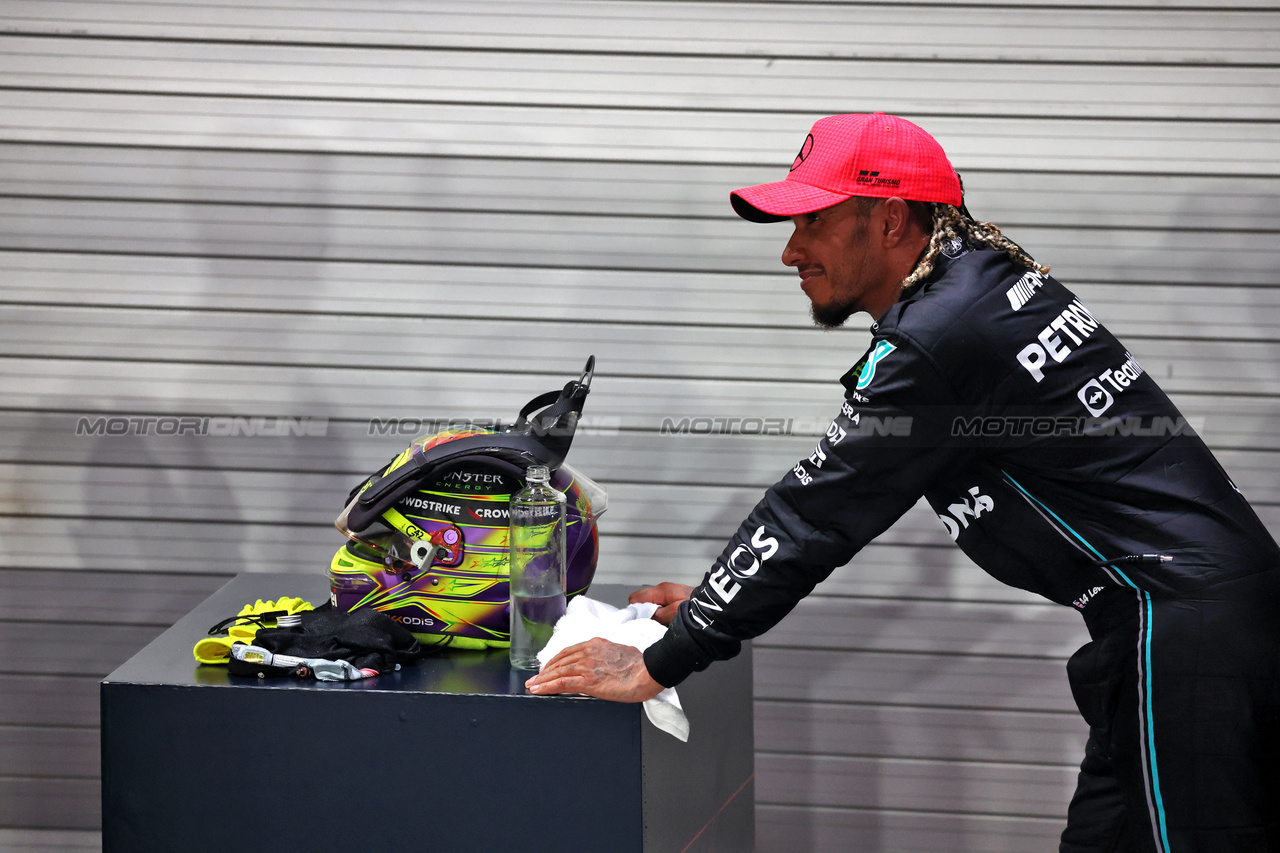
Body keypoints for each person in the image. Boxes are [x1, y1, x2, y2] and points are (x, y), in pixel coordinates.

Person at [525, 112, 1280, 851]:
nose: (791, 252)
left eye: (813, 222)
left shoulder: (940, 335)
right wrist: (717, 599)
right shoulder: (984, 283)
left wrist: (663, 658)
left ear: (889, 221)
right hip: (1182, 620)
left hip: (1184, 634)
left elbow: (813, 513)